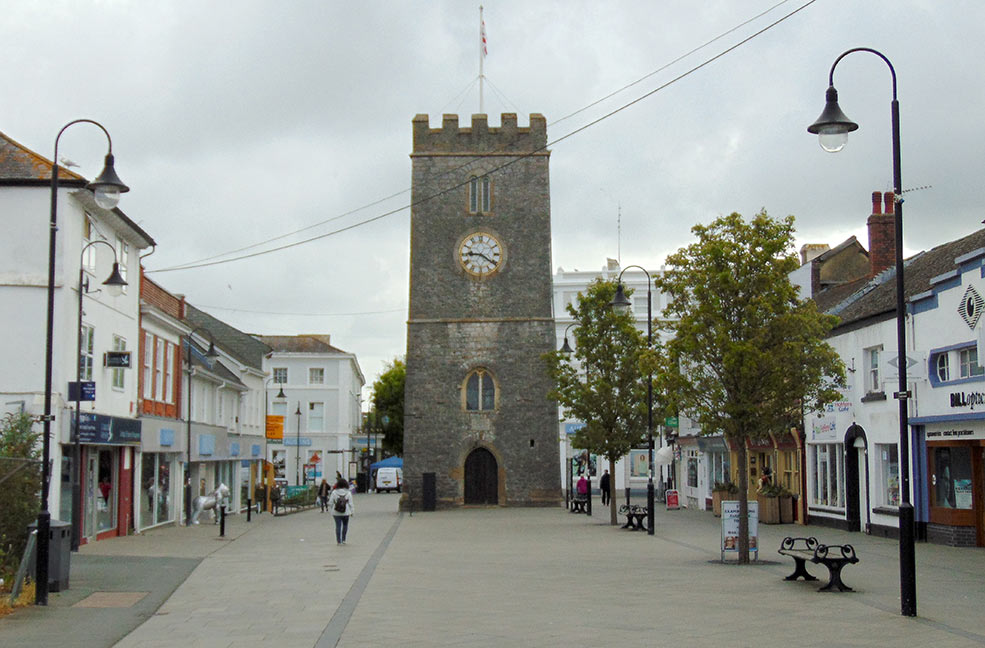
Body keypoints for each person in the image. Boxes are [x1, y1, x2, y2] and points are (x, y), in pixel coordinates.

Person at [328, 477, 354, 545]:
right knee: (345, 525)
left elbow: (330, 502)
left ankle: (338, 541)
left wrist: (331, 509)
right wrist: (352, 512)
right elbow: (351, 503)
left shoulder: (334, 492)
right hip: (346, 512)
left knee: (338, 526)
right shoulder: (348, 493)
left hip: (336, 512)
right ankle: (344, 539)